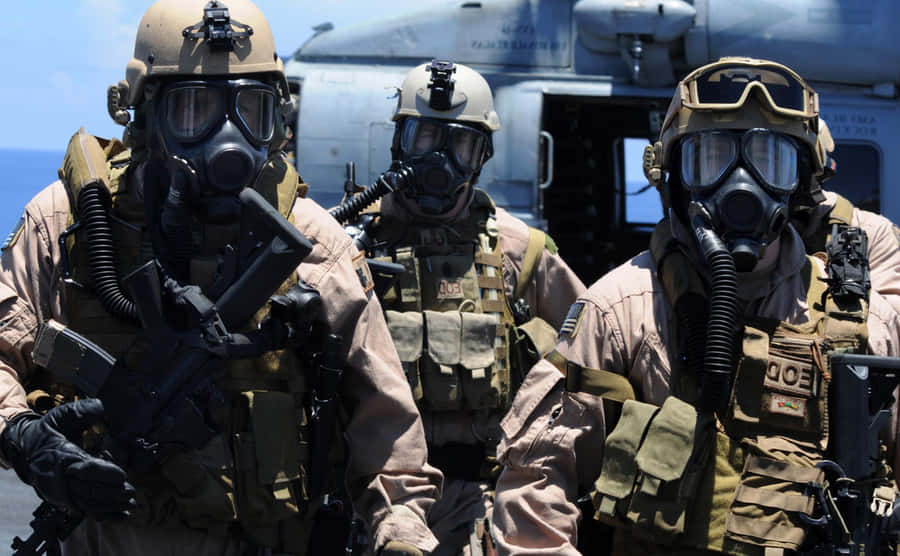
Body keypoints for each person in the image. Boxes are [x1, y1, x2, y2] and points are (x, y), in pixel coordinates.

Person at [0, 1, 440, 555]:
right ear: (145, 114)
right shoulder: (71, 223)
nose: (226, 138)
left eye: (249, 112)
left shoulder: (311, 240)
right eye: (194, 110)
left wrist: (398, 534)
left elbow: (388, 429)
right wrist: (23, 434)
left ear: (276, 121)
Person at [491, 57, 900, 555]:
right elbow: (535, 480)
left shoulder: (862, 323)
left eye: (770, 160)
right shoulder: (623, 309)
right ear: (677, 179)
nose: (742, 183)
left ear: (803, 183)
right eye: (712, 159)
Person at [337, 60, 585, 555]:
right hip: (367, 499)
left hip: (479, 498)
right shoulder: (346, 241)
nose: (439, 159)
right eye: (424, 138)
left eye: (460, 145)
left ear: (483, 155)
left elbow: (591, 356)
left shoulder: (520, 251)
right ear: (398, 142)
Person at [788, 117, 900, 316]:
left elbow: (892, 331)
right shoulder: (714, 232)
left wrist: (811, 275)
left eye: (777, 162)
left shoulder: (871, 231)